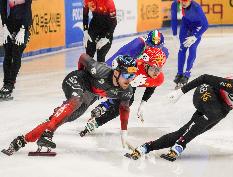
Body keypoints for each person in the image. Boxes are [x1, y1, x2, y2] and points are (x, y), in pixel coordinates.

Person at [2, 53, 137, 156]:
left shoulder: (127, 91)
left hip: (89, 94)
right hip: (76, 80)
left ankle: (22, 140)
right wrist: (82, 74)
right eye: (127, 75)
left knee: (63, 118)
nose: (130, 80)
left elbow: (124, 108)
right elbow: (83, 57)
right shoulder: (100, 70)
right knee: (75, 100)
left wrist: (124, 133)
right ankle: (48, 133)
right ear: (117, 72)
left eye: (133, 76)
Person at [126, 74, 233, 161]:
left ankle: (146, 147)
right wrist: (180, 92)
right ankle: (180, 145)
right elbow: (205, 78)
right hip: (207, 92)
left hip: (221, 108)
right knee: (214, 115)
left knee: (185, 131)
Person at [79, 47, 168, 141]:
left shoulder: (159, 78)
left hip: (131, 84)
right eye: (154, 68)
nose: (156, 73)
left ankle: (97, 121)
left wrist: (143, 103)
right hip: (124, 81)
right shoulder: (133, 67)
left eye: (159, 69)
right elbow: (113, 73)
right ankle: (105, 105)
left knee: (126, 102)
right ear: (146, 64)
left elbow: (152, 85)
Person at [171, 0, 208, 89]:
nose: (183, 3)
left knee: (192, 47)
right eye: (181, 1)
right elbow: (174, 19)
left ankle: (187, 73)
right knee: (182, 48)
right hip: (186, 24)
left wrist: (195, 37)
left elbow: (205, 25)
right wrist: (174, 34)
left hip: (197, 27)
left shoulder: (196, 7)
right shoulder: (175, 4)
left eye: (186, 1)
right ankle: (179, 74)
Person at [0, 0, 32, 101]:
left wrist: (23, 29)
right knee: (8, 54)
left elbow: (27, 9)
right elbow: (3, 9)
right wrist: (4, 26)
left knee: (16, 53)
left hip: (23, 25)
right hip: (10, 24)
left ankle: (10, 84)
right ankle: (5, 84)